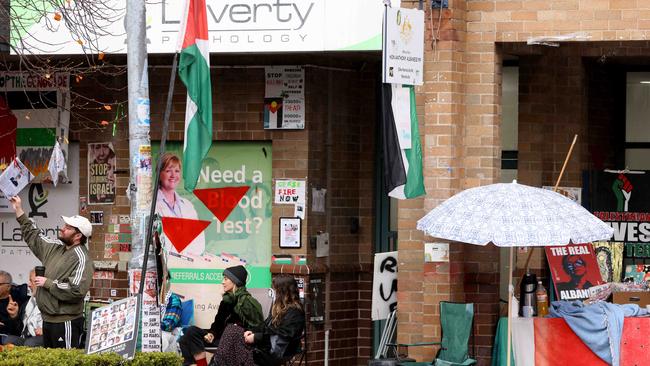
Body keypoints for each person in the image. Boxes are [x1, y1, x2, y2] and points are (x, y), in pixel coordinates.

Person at [9, 196, 94, 349]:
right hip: (47, 320)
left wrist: (48, 283)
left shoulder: (83, 258)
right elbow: (34, 236)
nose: (62, 228)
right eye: (64, 225)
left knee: (65, 361)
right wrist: (19, 210)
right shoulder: (55, 247)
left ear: (78, 236)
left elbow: (76, 290)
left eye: (68, 228)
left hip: (65, 321)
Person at [179, 265, 264, 366]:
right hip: (220, 338)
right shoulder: (226, 301)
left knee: (231, 329)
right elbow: (218, 323)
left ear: (235, 281)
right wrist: (212, 333)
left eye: (226, 279)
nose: (222, 282)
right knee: (190, 332)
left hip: (235, 342)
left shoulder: (247, 302)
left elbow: (258, 328)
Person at [212, 274, 305, 366]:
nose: (274, 293)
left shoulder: (295, 312)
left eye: (275, 290)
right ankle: (216, 363)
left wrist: (256, 337)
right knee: (232, 330)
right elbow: (264, 326)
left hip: (273, 353)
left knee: (231, 343)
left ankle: (215, 363)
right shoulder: (279, 308)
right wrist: (251, 331)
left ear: (282, 292)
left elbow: (281, 335)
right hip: (264, 346)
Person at [155, 152, 204, 256]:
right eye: (168, 171)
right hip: (162, 266)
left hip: (186, 266)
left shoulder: (188, 206)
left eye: (177, 171)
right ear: (159, 174)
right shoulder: (152, 205)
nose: (173, 175)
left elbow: (199, 240)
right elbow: (157, 242)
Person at [3, 269, 44, 347]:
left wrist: (46, 330)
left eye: (32, 281)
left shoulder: (52, 303)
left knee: (30, 343)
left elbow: (61, 326)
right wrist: (14, 316)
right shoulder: (28, 303)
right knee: (9, 340)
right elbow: (18, 331)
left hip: (44, 337)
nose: (28, 285)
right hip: (26, 338)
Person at [0, 271, 22, 339]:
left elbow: (17, 330)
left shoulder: (16, 303)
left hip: (6, 336)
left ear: (8, 287)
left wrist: (13, 316)